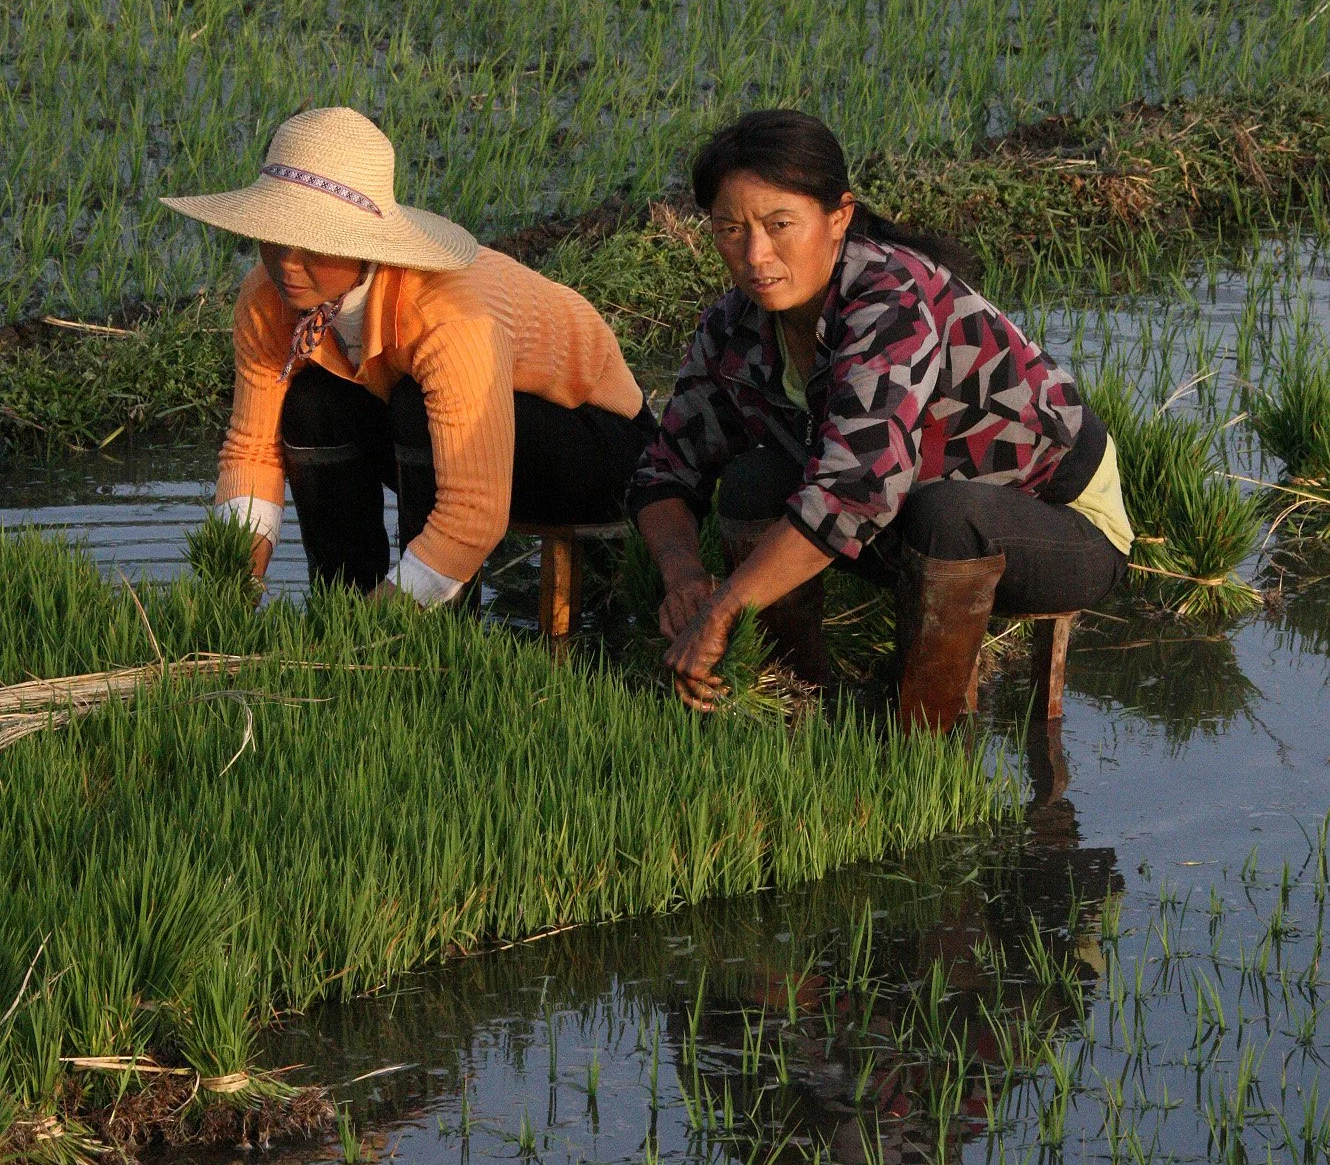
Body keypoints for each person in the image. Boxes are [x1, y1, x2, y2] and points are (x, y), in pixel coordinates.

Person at [629, 110, 1132, 729]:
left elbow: (855, 492)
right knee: (753, 481)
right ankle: (794, 708)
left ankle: (923, 742)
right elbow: (663, 470)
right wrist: (683, 576)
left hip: (1058, 525)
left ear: (838, 216)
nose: (755, 255)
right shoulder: (732, 326)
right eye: (731, 230)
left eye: (780, 225)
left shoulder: (892, 299)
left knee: (947, 517)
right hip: (902, 521)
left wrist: (722, 609)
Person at [162, 107, 654, 603]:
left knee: (414, 406)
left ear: (362, 244)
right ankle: (338, 599)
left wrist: (380, 622)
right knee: (313, 404)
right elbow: (252, 449)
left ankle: (434, 632)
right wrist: (234, 589)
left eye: (311, 244)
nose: (287, 263)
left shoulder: (447, 313)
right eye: (274, 237)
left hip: (607, 451)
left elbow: (474, 514)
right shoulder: (269, 300)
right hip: (463, 436)